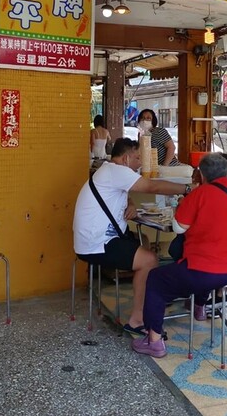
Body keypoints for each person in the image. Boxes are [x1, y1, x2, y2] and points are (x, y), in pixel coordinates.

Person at [131, 153, 227, 358]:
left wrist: (182, 207)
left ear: (202, 175)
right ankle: (199, 307)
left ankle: (153, 341)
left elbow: (178, 228)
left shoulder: (200, 194)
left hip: (205, 269)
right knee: (206, 272)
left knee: (156, 278)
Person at [73, 137, 191, 337]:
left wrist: (131, 204)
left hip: (96, 239)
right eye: (137, 158)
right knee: (149, 259)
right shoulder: (116, 171)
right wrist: (188, 190)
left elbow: (124, 194)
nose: (139, 164)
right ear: (126, 159)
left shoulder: (108, 171)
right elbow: (152, 187)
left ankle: (150, 297)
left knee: (144, 241)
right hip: (97, 243)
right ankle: (137, 320)